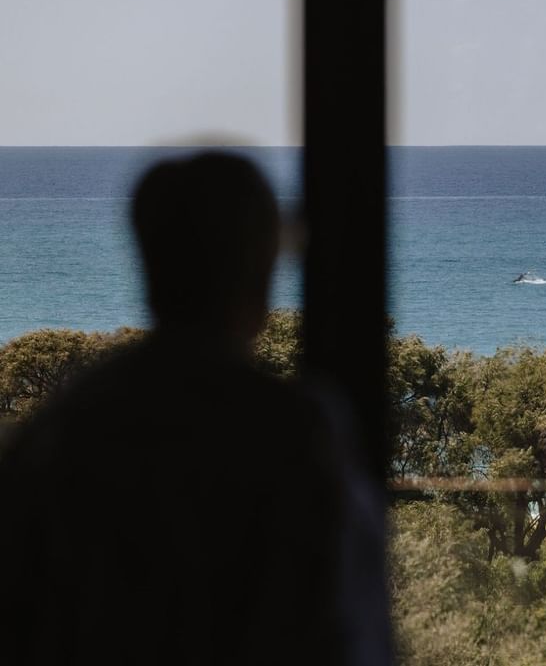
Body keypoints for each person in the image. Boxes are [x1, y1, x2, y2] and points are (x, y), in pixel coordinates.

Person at [0, 152, 390, 665]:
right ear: (259, 270)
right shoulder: (294, 431)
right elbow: (348, 625)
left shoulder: (63, 426)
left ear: (149, 265)